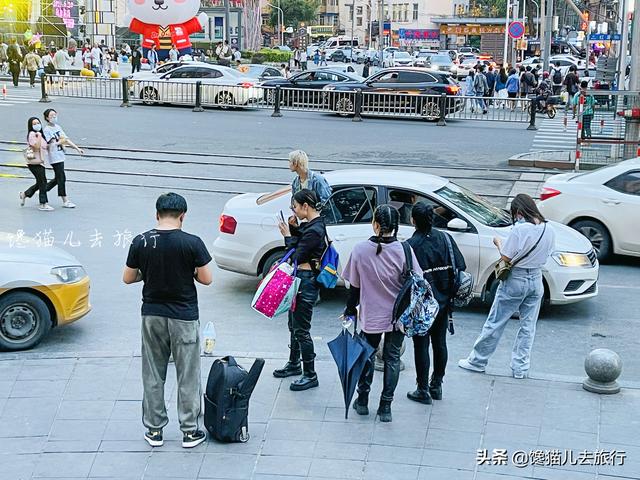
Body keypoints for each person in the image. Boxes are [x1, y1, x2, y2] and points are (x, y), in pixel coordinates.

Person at [123, 192, 212, 449]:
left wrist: (147, 273)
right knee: (188, 374)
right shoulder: (192, 243)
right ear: (183, 216)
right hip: (184, 316)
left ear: (156, 214)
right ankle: (189, 431)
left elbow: (128, 278)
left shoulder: (141, 241)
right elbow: (206, 279)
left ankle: (154, 430)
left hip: (151, 315)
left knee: (152, 372)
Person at [459, 194, 555, 379]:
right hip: (536, 280)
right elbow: (549, 254)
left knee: (496, 322)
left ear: (519, 212)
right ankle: (520, 368)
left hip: (515, 280)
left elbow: (506, 257)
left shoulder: (519, 230)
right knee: (528, 327)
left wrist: (498, 243)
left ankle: (477, 361)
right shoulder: (548, 229)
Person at [342, 205, 421, 423]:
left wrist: (349, 310)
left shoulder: (360, 250)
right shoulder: (405, 251)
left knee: (366, 355)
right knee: (392, 358)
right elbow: (417, 282)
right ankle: (386, 407)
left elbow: (354, 288)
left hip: (370, 316)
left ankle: (363, 400)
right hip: (398, 317)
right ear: (396, 227)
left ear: (375, 224)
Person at [406, 202, 466, 404]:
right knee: (440, 343)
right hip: (444, 301)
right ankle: (436, 385)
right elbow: (461, 265)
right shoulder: (446, 239)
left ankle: (422, 389)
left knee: (421, 345)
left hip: (422, 305)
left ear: (413, 220)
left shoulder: (410, 246)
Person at [273, 189, 327, 391]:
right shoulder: (313, 225)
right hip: (301, 280)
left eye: (294, 206)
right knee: (293, 325)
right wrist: (294, 230)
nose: (293, 210)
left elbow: (297, 255)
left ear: (305, 206)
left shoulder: (315, 229)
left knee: (302, 330)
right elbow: (302, 244)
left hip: (306, 281)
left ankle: (310, 374)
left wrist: (287, 235)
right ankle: (294, 363)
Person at [42, 108, 84, 208]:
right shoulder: (46, 130)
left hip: (60, 155)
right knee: (61, 178)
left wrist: (77, 148)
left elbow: (66, 140)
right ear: (47, 118)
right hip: (54, 157)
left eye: (55, 115)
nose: (54, 117)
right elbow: (49, 145)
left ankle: (40, 191)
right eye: (52, 116)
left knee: (58, 178)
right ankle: (65, 200)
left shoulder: (57, 127)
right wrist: (59, 142)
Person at [20, 117, 53, 211]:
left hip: (41, 162)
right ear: (30, 126)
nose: (37, 125)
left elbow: (44, 146)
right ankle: (43, 203)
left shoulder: (40, 134)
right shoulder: (32, 134)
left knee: (40, 182)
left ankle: (25, 194)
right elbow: (37, 146)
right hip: (34, 162)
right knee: (43, 182)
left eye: (38, 123)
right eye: (34, 124)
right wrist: (38, 136)